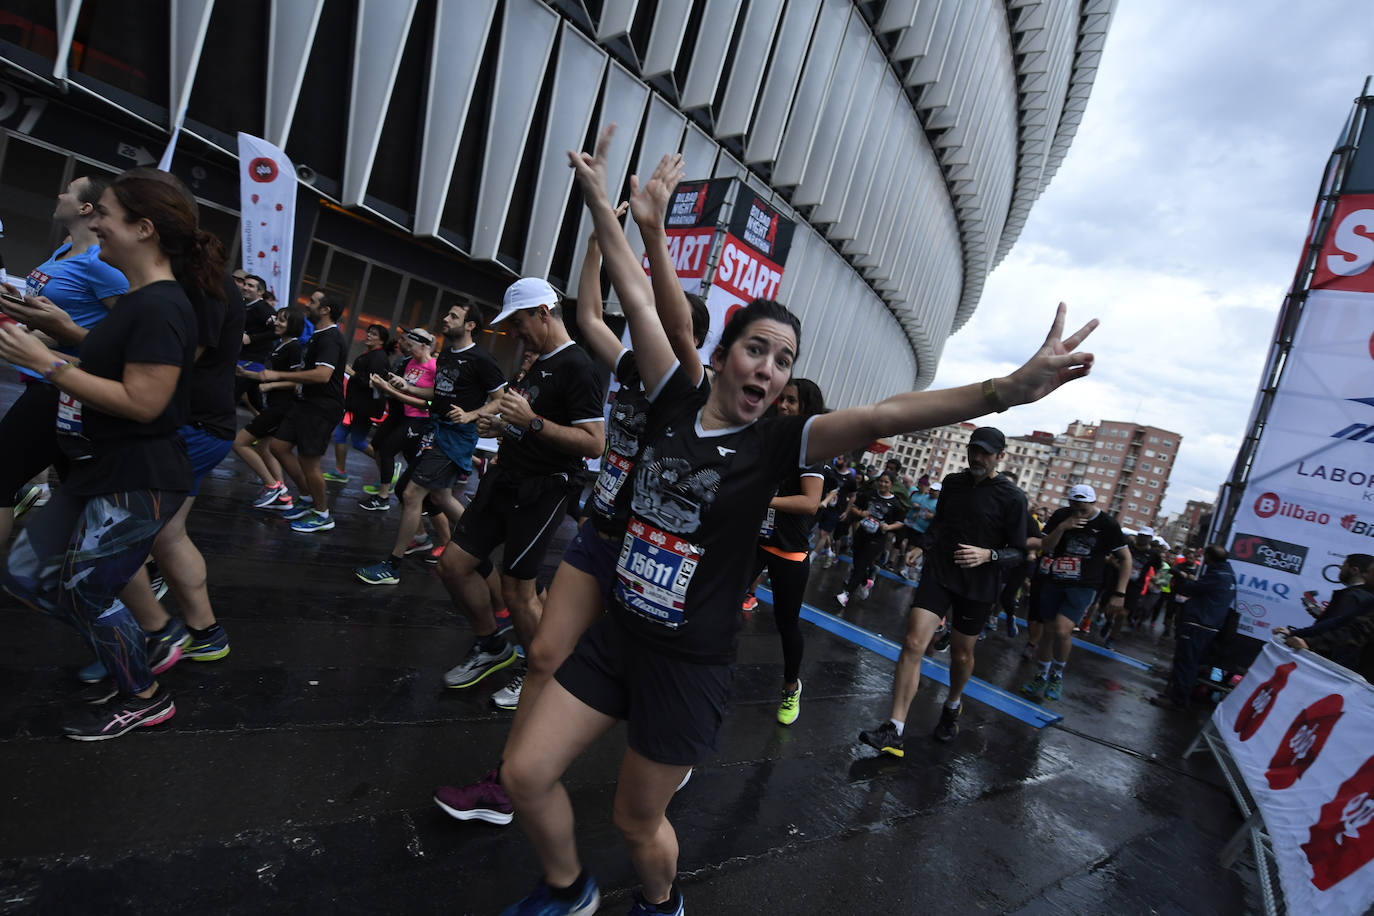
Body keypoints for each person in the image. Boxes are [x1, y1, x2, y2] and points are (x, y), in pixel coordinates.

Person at [491, 127, 1098, 916]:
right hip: (617, 641)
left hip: (688, 667)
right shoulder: (673, 390)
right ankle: (569, 891)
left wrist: (1006, 391)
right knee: (525, 775)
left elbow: (890, 411)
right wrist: (606, 204)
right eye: (758, 351)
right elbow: (635, 297)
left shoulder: (780, 440)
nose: (770, 369)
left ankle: (661, 903)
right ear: (725, 354)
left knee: (637, 822)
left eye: (784, 361)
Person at [0, 167, 220, 738]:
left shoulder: (162, 305)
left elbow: (145, 401)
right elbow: (109, 362)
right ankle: (134, 635)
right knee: (26, 574)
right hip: (101, 468)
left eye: (106, 213)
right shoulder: (139, 301)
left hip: (140, 475)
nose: (94, 220)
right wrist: (57, 328)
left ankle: (145, 692)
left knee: (85, 589)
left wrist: (46, 362)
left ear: (143, 228)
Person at [435, 276, 605, 701]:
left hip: (543, 488)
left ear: (543, 314)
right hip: (504, 476)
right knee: (452, 564)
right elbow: (524, 421)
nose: (513, 331)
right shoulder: (537, 360)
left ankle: (538, 674)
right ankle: (492, 645)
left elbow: (593, 442)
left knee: (518, 587)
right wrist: (503, 426)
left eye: (518, 321)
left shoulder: (578, 365)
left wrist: (529, 421)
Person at [858, 427, 1031, 754]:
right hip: (941, 570)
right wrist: (923, 546)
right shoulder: (952, 483)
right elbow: (940, 524)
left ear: (1000, 457)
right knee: (913, 642)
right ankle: (894, 729)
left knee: (962, 654)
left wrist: (988, 555)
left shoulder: (1013, 498)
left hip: (979, 582)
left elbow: (1019, 551)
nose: (977, 458)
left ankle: (953, 704)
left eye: (985, 453)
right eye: (973, 450)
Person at [0, 175, 127, 545]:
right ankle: (136, 573)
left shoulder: (100, 265)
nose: (59, 194)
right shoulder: (63, 251)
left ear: (86, 208)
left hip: (65, 390)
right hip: (49, 381)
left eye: (68, 191)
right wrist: (20, 309)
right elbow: (58, 317)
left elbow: (127, 336)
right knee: (83, 494)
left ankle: (132, 571)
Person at [355, 305, 505, 585]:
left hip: (457, 436)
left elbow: (500, 399)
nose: (445, 319)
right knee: (440, 497)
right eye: (447, 315)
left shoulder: (481, 359)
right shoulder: (446, 354)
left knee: (412, 493)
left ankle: (393, 566)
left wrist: (471, 415)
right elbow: (439, 393)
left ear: (470, 325)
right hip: (436, 430)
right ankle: (478, 543)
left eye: (453, 317)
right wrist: (407, 387)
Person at [755, 378, 826, 724]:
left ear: (807, 407)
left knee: (786, 624)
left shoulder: (812, 447)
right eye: (782, 399)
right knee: (721, 599)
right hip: (755, 538)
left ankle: (790, 687)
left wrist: (765, 499)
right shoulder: (771, 435)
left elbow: (811, 503)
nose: (783, 405)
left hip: (789, 549)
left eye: (792, 401)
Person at [1022, 484, 1130, 702]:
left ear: (1093, 503)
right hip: (1054, 580)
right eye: (1075, 508)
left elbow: (1126, 559)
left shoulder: (1107, 524)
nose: (1079, 513)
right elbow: (1046, 545)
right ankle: (1041, 675)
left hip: (1084, 584)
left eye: (1084, 509)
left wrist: (1120, 593)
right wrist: (1063, 527)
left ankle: (1057, 675)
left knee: (1062, 630)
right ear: (1069, 503)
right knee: (1048, 631)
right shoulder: (1062, 515)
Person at [259, 296, 348, 532]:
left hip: (323, 406)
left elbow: (322, 375)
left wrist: (279, 377)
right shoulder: (318, 336)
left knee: (310, 462)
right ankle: (307, 498)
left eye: (313, 302)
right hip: (305, 402)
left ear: (326, 309)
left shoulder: (331, 338)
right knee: (278, 447)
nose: (307, 305)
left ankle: (322, 514)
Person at [234, 307, 306, 508]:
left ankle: (272, 485)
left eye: (282, 321)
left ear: (292, 325)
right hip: (274, 406)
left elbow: (295, 381)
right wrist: (245, 374)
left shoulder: (293, 348)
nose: (276, 323)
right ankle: (282, 496)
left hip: (280, 408)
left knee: (239, 443)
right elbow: (269, 375)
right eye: (278, 319)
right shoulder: (280, 345)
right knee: (265, 449)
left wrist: (272, 385)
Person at [1149, 544, 1237, 709]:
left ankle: (1178, 700)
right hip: (1209, 624)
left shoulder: (1216, 575)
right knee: (1189, 662)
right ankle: (1176, 695)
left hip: (1198, 623)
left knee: (1186, 663)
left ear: (1209, 558)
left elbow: (1189, 589)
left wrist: (1181, 577)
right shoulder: (1229, 575)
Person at [358, 329, 435, 510]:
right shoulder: (410, 362)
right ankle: (424, 497)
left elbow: (432, 400)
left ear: (424, 346)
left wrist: (394, 388)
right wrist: (391, 382)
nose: (407, 348)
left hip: (419, 418)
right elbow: (404, 387)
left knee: (387, 450)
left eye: (411, 345)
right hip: (402, 414)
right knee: (381, 447)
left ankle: (384, 496)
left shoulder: (434, 367)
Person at [1276, 553, 1374, 669]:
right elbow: (1339, 621)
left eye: (1371, 574)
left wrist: (1310, 643)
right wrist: (1295, 634)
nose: (1367, 577)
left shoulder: (1353, 596)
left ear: (1354, 570)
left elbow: (1351, 631)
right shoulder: (1367, 600)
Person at [326, 324, 391, 482]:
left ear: (381, 341)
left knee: (358, 441)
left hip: (365, 408)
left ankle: (387, 470)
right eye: (368, 332)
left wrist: (353, 373)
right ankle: (340, 472)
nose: (368, 335)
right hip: (356, 406)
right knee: (341, 435)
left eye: (373, 334)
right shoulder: (371, 354)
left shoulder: (379, 357)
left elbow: (374, 383)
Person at [836, 473, 905, 607]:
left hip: (877, 539)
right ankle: (865, 582)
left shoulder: (895, 503)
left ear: (891, 485)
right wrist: (861, 514)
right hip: (862, 533)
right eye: (881, 481)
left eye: (886, 482)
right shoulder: (870, 494)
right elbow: (855, 507)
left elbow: (900, 523)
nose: (883, 484)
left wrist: (888, 526)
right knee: (857, 562)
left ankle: (846, 595)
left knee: (861, 564)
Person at [234, 274, 273, 410]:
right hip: (243, 356)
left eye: (250, 286)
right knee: (255, 400)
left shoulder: (263, 309)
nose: (245, 288)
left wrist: (252, 338)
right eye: (245, 284)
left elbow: (276, 331)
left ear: (260, 292)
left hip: (252, 360)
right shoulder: (245, 304)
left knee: (231, 395)